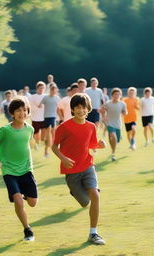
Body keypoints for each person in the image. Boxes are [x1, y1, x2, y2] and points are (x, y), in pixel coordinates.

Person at [52, 93, 106, 245]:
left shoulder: (91, 126)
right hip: (71, 171)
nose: (81, 110)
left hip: (88, 165)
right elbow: (54, 146)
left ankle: (93, 233)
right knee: (84, 202)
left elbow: (90, 144)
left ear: (88, 109)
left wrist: (99, 145)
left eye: (83, 108)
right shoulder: (64, 127)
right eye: (77, 108)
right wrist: (63, 158)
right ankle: (77, 191)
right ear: (72, 109)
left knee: (95, 195)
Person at [0, 97, 37, 241]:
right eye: (18, 110)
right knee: (18, 200)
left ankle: (24, 194)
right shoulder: (5, 130)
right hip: (9, 170)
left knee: (32, 203)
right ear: (12, 113)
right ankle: (27, 229)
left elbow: (27, 144)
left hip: (27, 169)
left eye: (24, 110)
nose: (22, 113)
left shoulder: (30, 129)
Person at [101, 88, 127, 161]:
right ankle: (113, 153)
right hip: (109, 123)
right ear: (112, 95)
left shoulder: (122, 104)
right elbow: (102, 110)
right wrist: (104, 117)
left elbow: (124, 112)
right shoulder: (108, 103)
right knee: (113, 137)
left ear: (120, 95)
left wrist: (125, 112)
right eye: (115, 94)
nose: (117, 96)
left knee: (115, 140)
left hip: (118, 124)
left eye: (118, 94)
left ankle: (113, 150)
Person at [39, 84, 60, 157]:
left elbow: (59, 108)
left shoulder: (57, 98)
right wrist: (40, 106)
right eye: (52, 90)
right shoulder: (45, 97)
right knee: (47, 133)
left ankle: (52, 148)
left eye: (54, 90)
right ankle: (46, 149)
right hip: (46, 117)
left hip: (53, 117)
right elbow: (40, 104)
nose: (53, 91)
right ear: (50, 90)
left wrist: (61, 116)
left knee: (52, 132)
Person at [29, 81, 46, 149]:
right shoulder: (32, 97)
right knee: (35, 132)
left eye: (42, 88)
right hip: (35, 117)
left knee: (43, 132)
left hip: (44, 117)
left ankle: (42, 143)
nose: (41, 89)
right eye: (40, 88)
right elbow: (29, 106)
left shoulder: (46, 96)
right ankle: (36, 143)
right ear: (37, 88)